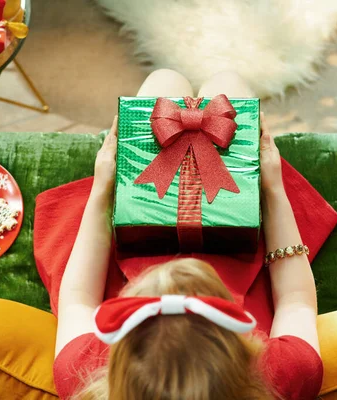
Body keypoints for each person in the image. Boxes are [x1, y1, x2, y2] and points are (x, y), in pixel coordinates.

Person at [54, 69, 323, 400]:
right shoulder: (283, 375)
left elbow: (79, 297)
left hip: (138, 233)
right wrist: (273, 190)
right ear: (241, 354)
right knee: (227, 85)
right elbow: (296, 302)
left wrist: (101, 191)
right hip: (242, 248)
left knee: (163, 83)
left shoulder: (82, 375)